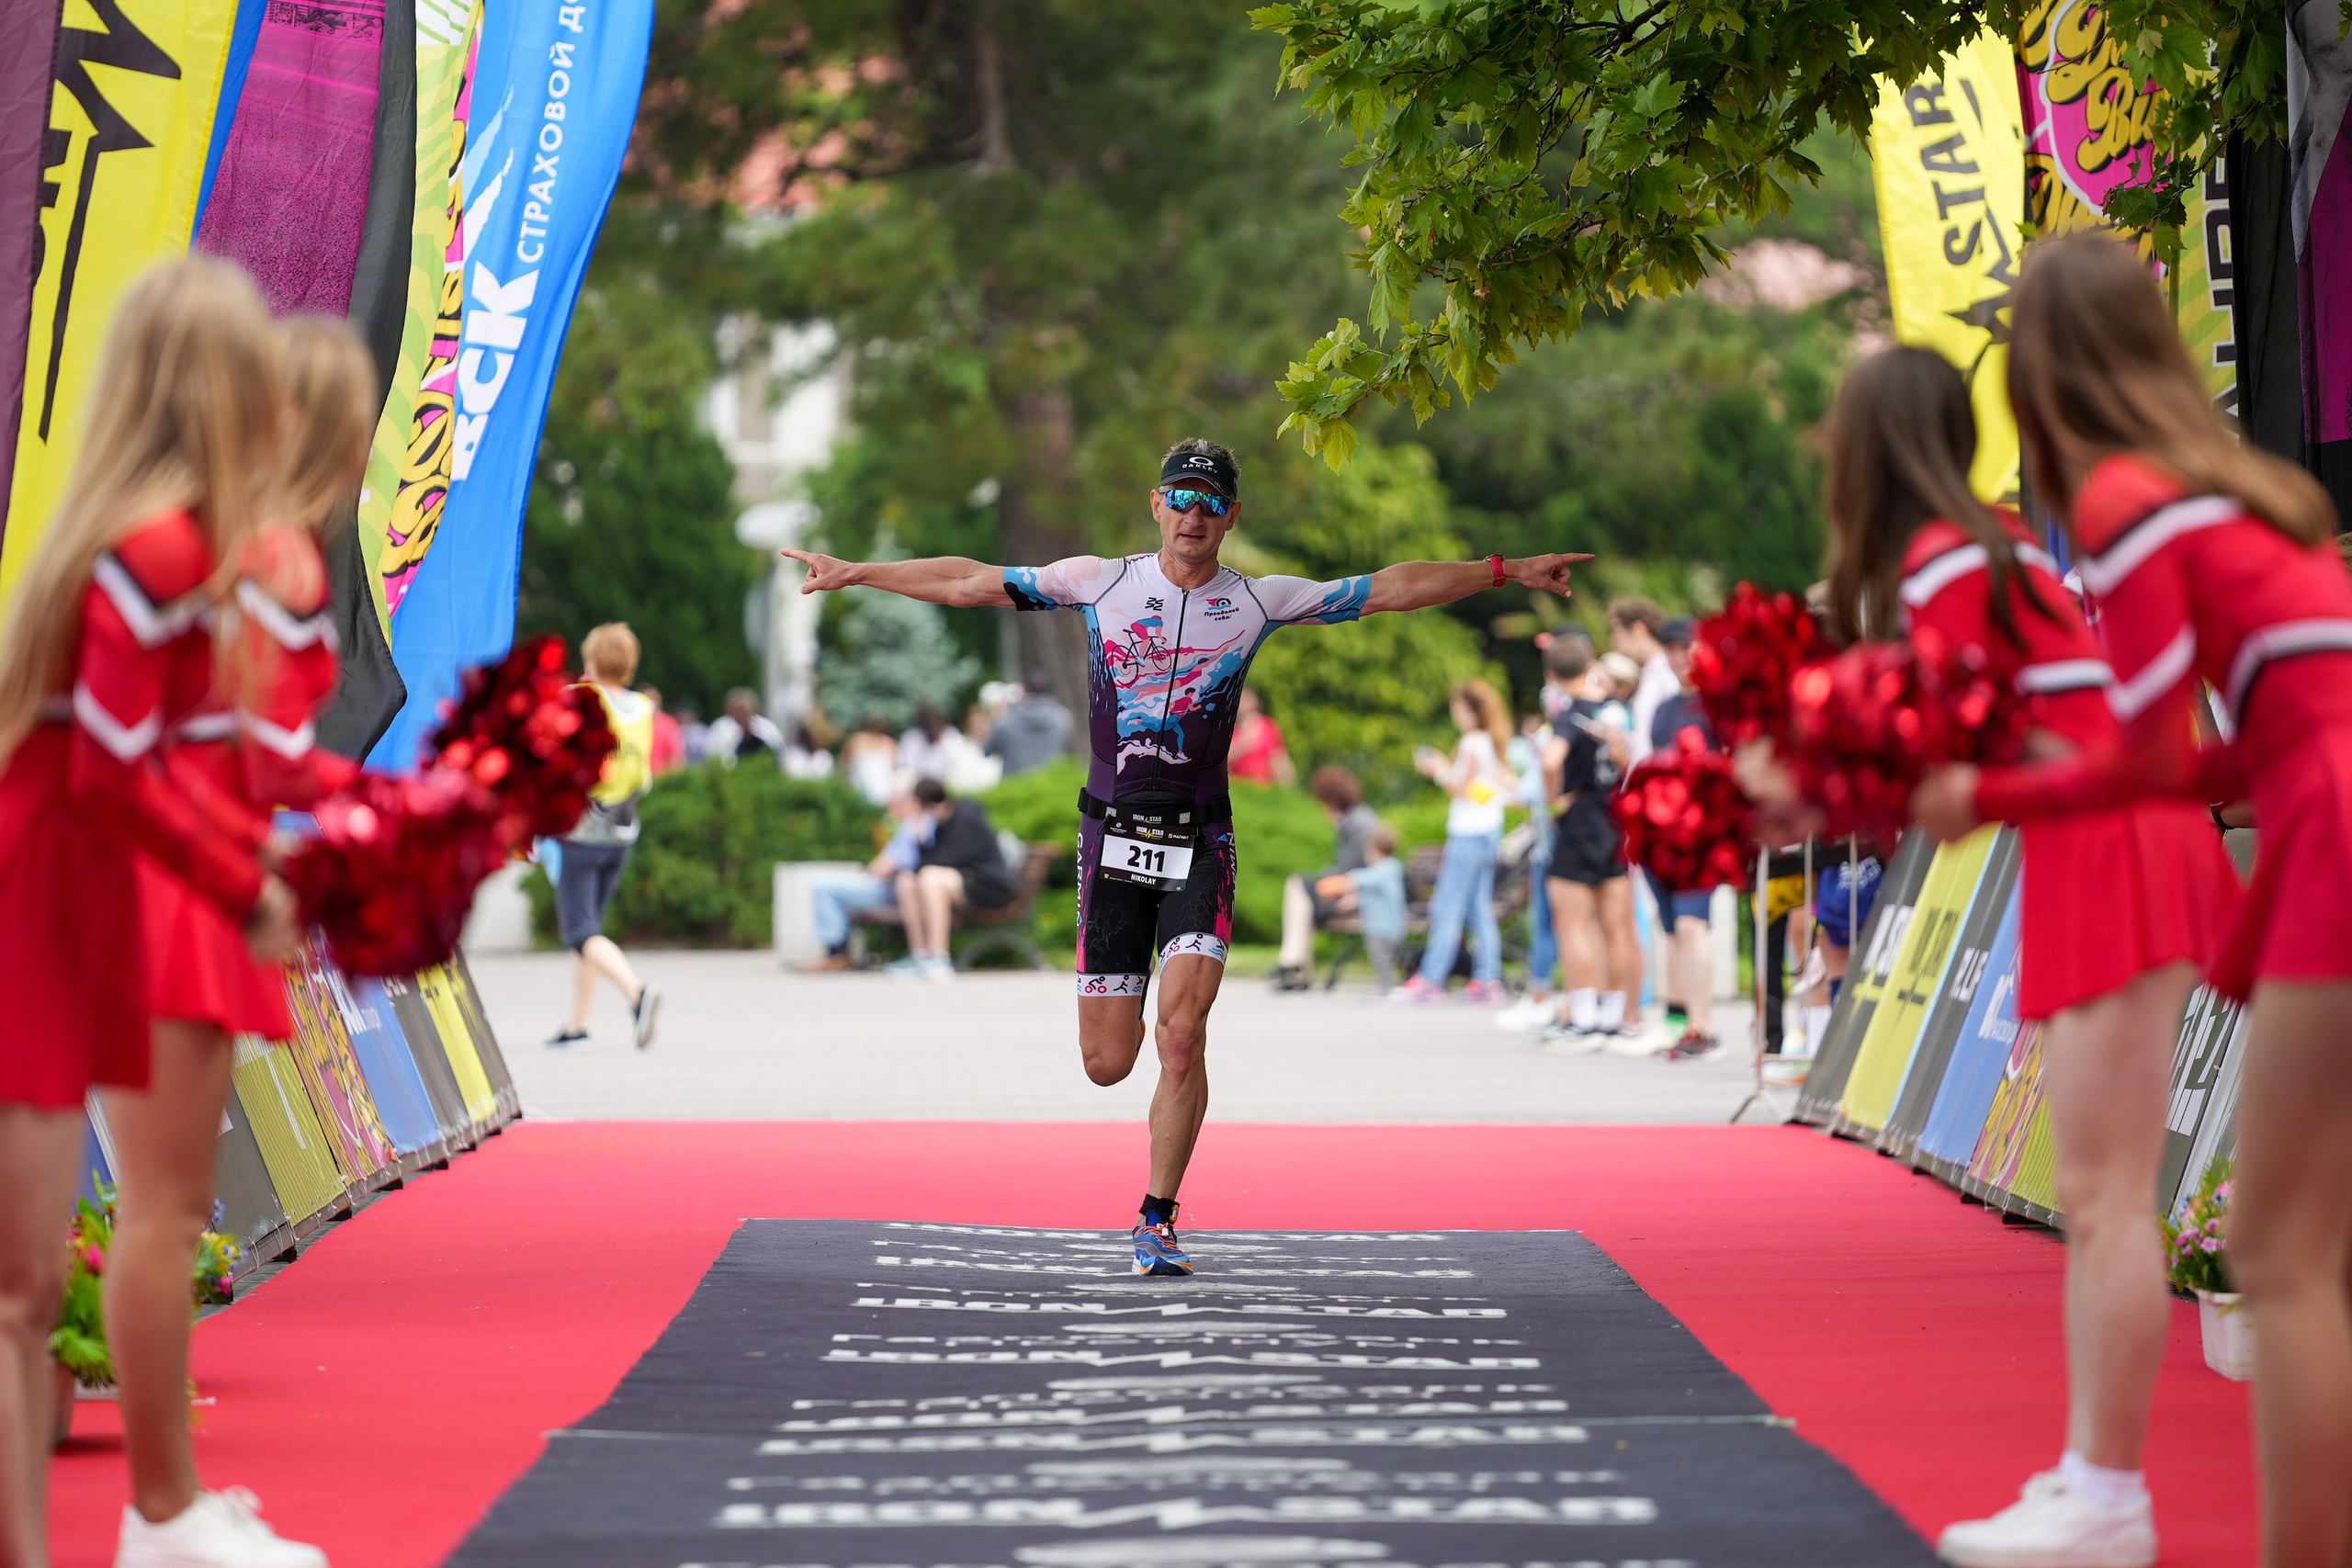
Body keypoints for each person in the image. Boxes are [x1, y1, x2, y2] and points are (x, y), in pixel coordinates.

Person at [783, 435, 1589, 1275]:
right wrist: (856, 570)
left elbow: (1390, 588)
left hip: (1202, 837)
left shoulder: (1260, 600)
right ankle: (1150, 1147)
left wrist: (1505, 569)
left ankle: (1157, 1215)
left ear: (1232, 516)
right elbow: (969, 580)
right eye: (1182, 497)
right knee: (1107, 1062)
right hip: (1112, 838)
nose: (1195, 515)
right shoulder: (1099, 582)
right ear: (1157, 504)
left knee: (1182, 1032)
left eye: (1212, 502)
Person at [1905, 236, 2348, 1568]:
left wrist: (1980, 797)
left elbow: (2148, 752)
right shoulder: (2248, 492)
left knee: (2281, 1254)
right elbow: (2231, 747)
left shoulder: (2126, 501)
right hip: (2314, 796)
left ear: (2040, 368)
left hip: (2324, 822)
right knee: (2289, 1252)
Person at [1788, 340, 2241, 1568]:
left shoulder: (1949, 567)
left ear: (1869, 449)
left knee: (2104, 1203)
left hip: (2113, 856)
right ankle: (2095, 1476)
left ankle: (2108, 1492)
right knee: (2103, 1202)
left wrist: (1828, 779)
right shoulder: (1983, 549)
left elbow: (1975, 760)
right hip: (2109, 849)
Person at [0, 261, 307, 1568]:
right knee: (75, 1253)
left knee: (39, 1275)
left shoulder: (141, 539)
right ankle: (160, 1513)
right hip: (76, 897)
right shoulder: (160, 547)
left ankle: (143, 1517)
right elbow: (120, 771)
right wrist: (246, 879)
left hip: (79, 889)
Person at [547, 623, 662, 1051]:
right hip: (622, 831)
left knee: (580, 932)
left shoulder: (582, 698)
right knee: (589, 930)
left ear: (592, 660)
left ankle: (637, 994)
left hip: (581, 831)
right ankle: (577, 1025)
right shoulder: (644, 707)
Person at [1536, 635, 1643, 1045]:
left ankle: (1583, 1015)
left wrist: (1553, 802)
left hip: (1579, 825)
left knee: (1573, 923)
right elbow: (1628, 762)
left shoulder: (1569, 714)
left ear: (1552, 676)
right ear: (1591, 663)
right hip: (1614, 823)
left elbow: (1550, 760)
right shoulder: (1612, 710)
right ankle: (1614, 1016)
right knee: (1616, 928)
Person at [1395, 679, 1520, 1004]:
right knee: (1479, 909)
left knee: (1447, 907)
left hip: (1468, 834)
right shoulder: (1493, 742)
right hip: (1489, 832)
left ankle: (1431, 980)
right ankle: (1488, 980)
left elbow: (1462, 788)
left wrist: (1437, 769)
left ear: (1465, 708)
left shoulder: (1472, 743)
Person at [1647, 618, 1722, 1059]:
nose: (1679, 657)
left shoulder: (1716, 706)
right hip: (1662, 833)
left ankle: (1704, 1025)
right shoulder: (1664, 708)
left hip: (1701, 832)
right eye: (1671, 649)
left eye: (1685, 647)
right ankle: (1679, 1024)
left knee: (1694, 927)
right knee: (1674, 930)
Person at [886, 778, 1015, 978]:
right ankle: (920, 955)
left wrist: (920, 837)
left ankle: (939, 957)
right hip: (962, 881)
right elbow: (928, 862)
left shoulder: (967, 819)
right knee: (907, 881)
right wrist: (920, 841)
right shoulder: (941, 822)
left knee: (930, 878)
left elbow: (945, 861)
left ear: (926, 805)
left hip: (988, 886)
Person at [1273, 765, 1382, 991]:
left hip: (1356, 892)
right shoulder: (1356, 819)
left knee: (1299, 885)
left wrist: (1351, 893)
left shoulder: (1357, 824)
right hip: (1351, 888)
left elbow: (1351, 870)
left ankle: (1293, 964)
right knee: (1301, 889)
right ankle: (1295, 966)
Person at [797, 791, 933, 971]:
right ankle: (837, 952)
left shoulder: (915, 825)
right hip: (892, 886)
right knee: (829, 886)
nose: (891, 807)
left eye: (894, 802)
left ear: (910, 802)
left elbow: (887, 867)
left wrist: (876, 867)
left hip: (892, 888)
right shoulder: (910, 824)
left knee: (824, 886)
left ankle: (837, 955)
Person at [1317, 821, 1408, 990]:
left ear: (1374, 850)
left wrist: (1348, 879)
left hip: (1383, 927)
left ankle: (1386, 988)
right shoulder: (1389, 869)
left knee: (1381, 959)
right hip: (1385, 926)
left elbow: (1367, 879)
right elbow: (1371, 895)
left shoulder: (1386, 869)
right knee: (1384, 958)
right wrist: (1351, 902)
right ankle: (1389, 986)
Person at [1609, 597, 1679, 763]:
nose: (1615, 641)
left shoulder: (1666, 675)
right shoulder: (1653, 673)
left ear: (1638, 629)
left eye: (1617, 632)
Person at [985, 668, 1075, 776]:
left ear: (1025, 690)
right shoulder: (1064, 718)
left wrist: (997, 717)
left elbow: (987, 750)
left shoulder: (1008, 720)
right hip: (1051, 786)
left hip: (1014, 789)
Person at [1227, 687, 1295, 787]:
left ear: (1255, 702)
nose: (1242, 703)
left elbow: (1277, 756)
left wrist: (1286, 779)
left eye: (1246, 698)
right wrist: (1243, 744)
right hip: (1237, 785)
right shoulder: (1228, 728)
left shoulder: (1267, 726)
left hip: (1262, 785)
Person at [899, 701, 975, 784]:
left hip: (944, 782)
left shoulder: (951, 736)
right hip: (918, 783)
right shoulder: (913, 737)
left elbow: (957, 764)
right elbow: (907, 766)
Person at [707, 686, 783, 764]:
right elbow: (712, 755)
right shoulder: (720, 728)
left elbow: (778, 751)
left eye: (742, 709)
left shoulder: (766, 727)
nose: (739, 714)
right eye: (735, 710)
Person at [839, 714, 899, 806]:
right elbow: (844, 763)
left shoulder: (889, 743)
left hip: (883, 790)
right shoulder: (856, 740)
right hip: (859, 786)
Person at [643, 685, 685, 776]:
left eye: (654, 698)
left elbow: (676, 755)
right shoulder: (632, 722)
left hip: (662, 777)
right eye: (647, 698)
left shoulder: (669, 723)